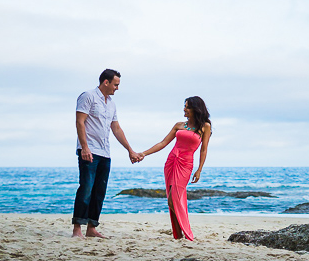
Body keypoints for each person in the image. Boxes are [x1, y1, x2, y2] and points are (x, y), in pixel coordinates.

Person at [72, 69, 144, 238]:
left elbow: (116, 129)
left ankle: (91, 228)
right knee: (86, 189)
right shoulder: (88, 96)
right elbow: (80, 122)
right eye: (115, 84)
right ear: (106, 82)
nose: (117, 88)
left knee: (99, 192)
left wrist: (130, 150)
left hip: (105, 153)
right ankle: (77, 229)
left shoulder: (111, 103)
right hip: (89, 151)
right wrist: (84, 147)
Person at [139, 96, 212, 241]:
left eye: (187, 107)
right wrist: (144, 153)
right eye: (184, 106)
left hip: (185, 164)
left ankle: (185, 231)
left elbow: (203, 150)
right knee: (171, 198)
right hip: (171, 162)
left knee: (174, 199)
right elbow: (163, 143)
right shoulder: (179, 125)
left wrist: (199, 170)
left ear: (195, 109)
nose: (184, 109)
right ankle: (179, 235)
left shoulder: (205, 126)